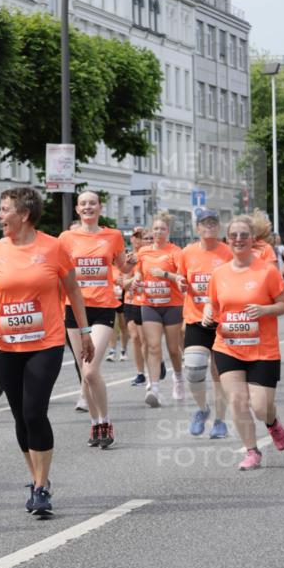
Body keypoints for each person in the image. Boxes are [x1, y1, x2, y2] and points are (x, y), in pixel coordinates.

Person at [0, 187, 94, 516]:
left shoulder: (53, 248)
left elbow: (74, 292)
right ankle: (37, 476)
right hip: (7, 346)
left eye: (5, 209)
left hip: (46, 343)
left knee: (34, 411)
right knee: (19, 416)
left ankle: (41, 488)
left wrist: (84, 333)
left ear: (23, 215)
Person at [204, 215, 284, 471]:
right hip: (228, 346)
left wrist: (264, 310)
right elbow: (213, 303)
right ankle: (252, 451)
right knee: (238, 401)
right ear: (227, 240)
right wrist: (209, 311)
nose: (238, 240)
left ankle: (272, 422)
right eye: (234, 236)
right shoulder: (219, 273)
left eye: (244, 235)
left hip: (263, 349)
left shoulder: (267, 271)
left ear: (253, 239)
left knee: (261, 406)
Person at [59, 191, 125, 447]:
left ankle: (106, 421)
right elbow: (59, 271)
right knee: (84, 374)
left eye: (92, 203)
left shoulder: (114, 236)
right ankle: (95, 424)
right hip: (74, 309)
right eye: (83, 203)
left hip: (102, 308)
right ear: (77, 209)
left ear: (100, 208)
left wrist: (127, 267)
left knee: (90, 368)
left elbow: (121, 266)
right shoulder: (66, 238)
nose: (88, 207)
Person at [179, 210, 232, 437]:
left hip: (223, 322)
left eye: (213, 222)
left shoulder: (228, 253)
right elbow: (181, 278)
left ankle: (220, 421)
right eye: (204, 223)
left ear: (218, 227)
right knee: (193, 370)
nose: (209, 226)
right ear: (197, 228)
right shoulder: (187, 252)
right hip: (196, 319)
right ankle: (202, 409)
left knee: (219, 375)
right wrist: (181, 282)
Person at [133, 213, 185, 407]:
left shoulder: (175, 251)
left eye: (162, 229)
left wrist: (164, 274)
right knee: (153, 346)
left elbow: (181, 277)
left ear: (168, 232)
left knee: (173, 349)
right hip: (150, 304)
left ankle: (178, 378)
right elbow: (138, 272)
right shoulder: (144, 252)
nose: (158, 232)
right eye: (155, 229)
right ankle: (154, 387)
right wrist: (137, 278)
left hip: (172, 304)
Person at [122, 228, 150, 387]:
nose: (138, 240)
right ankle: (140, 373)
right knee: (135, 337)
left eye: (142, 237)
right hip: (131, 301)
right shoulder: (131, 258)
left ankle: (153, 364)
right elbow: (124, 283)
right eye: (136, 237)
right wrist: (133, 281)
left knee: (146, 340)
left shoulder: (153, 257)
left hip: (146, 302)